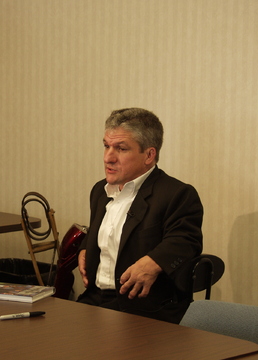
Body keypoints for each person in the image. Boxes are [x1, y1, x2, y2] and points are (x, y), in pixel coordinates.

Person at [77, 107, 203, 324]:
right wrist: (86, 248)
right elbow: (108, 232)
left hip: (142, 310)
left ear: (149, 155)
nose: (108, 158)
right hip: (94, 300)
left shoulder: (177, 194)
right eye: (106, 146)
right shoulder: (100, 190)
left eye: (121, 149)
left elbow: (186, 242)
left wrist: (154, 262)